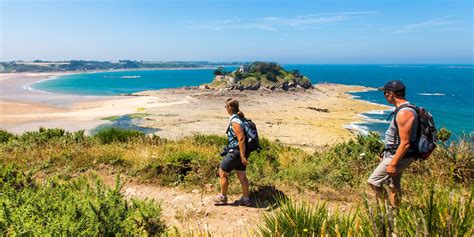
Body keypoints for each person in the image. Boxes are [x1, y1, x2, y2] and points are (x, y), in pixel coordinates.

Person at [367, 80, 418, 208]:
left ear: (390, 94)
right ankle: (395, 212)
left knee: (373, 181)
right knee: (394, 185)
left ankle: (387, 209)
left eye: (385, 93)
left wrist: (393, 163)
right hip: (396, 154)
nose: (384, 96)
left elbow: (405, 143)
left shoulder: (404, 112)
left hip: (399, 155)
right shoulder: (404, 109)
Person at [215, 98, 252, 207]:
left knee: (222, 171)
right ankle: (246, 199)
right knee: (242, 175)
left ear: (230, 108)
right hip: (242, 151)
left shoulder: (235, 121)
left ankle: (223, 197)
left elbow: (241, 139)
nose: (225, 108)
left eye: (226, 107)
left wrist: (241, 155)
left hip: (236, 152)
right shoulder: (241, 118)